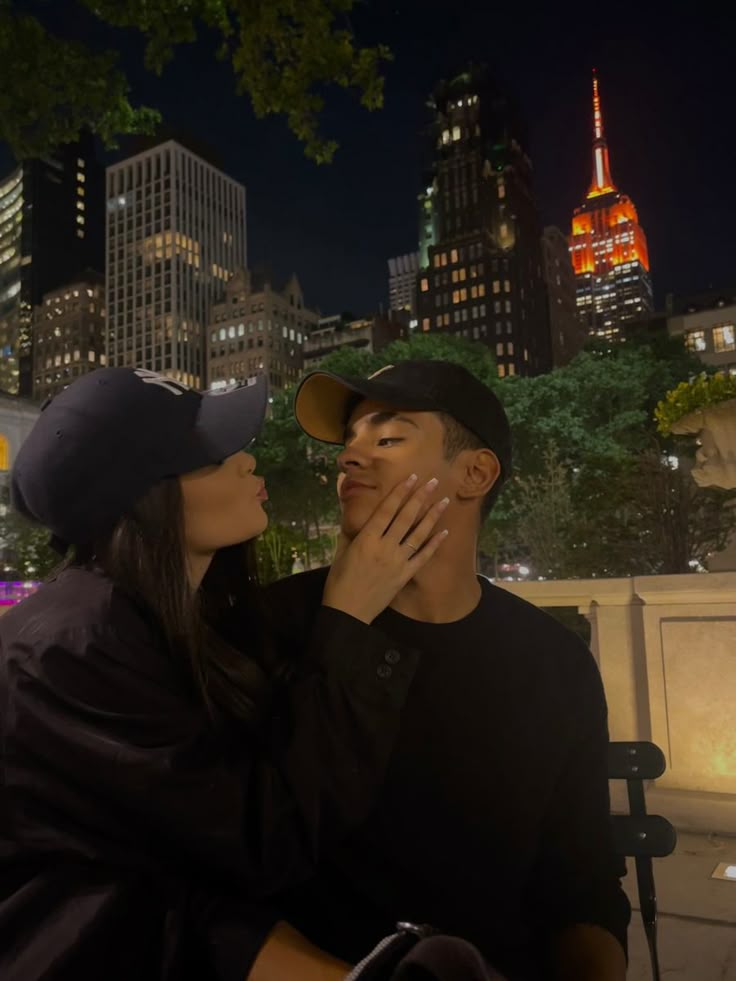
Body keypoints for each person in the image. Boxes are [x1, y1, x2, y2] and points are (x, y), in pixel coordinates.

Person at [0, 366, 452, 981]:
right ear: (145, 498)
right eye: (213, 455)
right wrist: (347, 616)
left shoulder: (163, 618)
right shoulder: (72, 648)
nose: (247, 461)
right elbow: (259, 841)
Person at [262, 360, 631, 981]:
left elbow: (582, 884)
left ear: (475, 473)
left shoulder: (552, 661)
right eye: (349, 442)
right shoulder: (270, 627)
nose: (349, 458)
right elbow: (231, 871)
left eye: (386, 437)